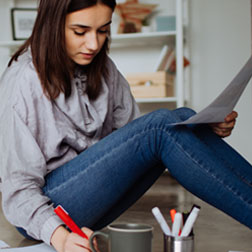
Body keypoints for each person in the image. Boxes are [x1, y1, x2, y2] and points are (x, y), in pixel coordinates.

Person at [0, 0, 251, 251]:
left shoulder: (105, 68)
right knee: (162, 127)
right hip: (46, 210)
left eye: (103, 30)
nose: (94, 44)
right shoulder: (23, 80)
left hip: (93, 197)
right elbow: (18, 191)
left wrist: (202, 130)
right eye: (80, 31)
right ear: (52, 25)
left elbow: (137, 143)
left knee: (182, 118)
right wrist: (60, 236)